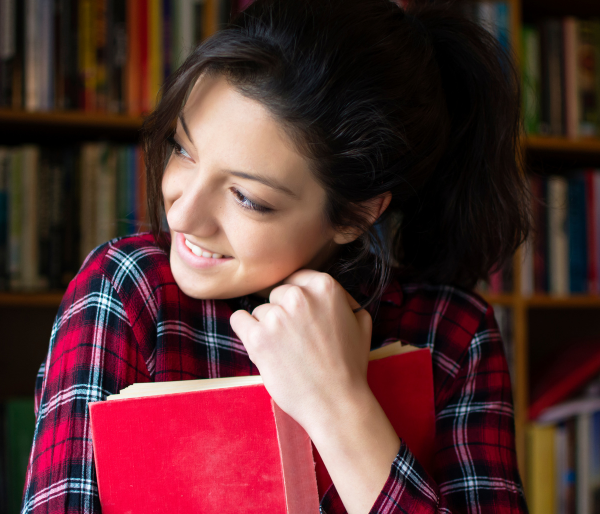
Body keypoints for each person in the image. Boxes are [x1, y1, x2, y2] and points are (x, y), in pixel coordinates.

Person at [20, 0, 531, 512]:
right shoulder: (129, 291)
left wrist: (338, 405)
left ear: (354, 214)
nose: (182, 217)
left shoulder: (453, 332)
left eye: (248, 198)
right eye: (182, 149)